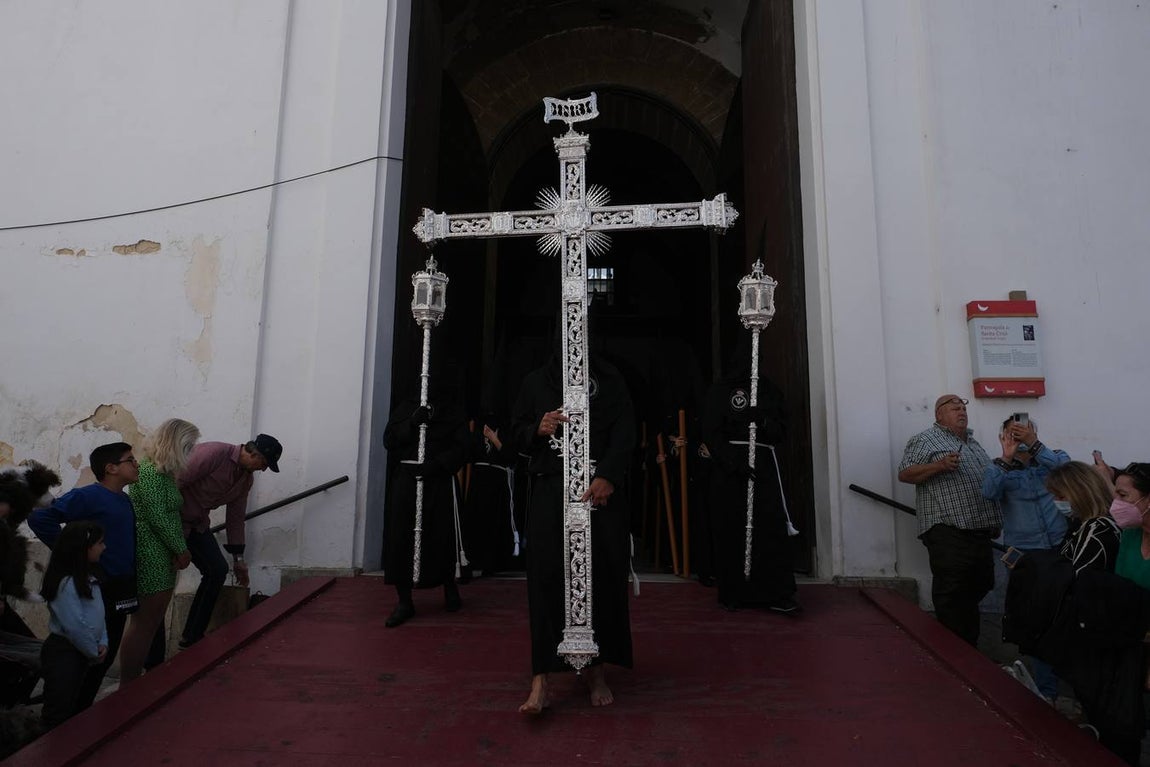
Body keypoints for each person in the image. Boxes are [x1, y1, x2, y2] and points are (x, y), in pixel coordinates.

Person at [510, 345, 636, 714]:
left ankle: (596, 671)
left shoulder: (609, 380)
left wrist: (609, 475)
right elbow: (515, 430)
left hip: (598, 493)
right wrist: (537, 427)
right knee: (547, 578)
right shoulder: (536, 382)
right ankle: (541, 680)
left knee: (601, 577)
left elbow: (626, 429)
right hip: (551, 493)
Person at [28, 442, 139, 710]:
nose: (137, 465)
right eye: (130, 460)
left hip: (121, 586)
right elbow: (40, 519)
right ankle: (68, 719)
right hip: (97, 587)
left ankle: (83, 714)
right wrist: (75, 553)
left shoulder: (124, 499)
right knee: (87, 656)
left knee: (106, 652)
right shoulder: (88, 496)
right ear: (111, 468)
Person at [898, 394, 1001, 646]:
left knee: (982, 583)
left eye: (963, 407)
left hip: (980, 530)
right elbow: (905, 473)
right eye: (954, 408)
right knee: (952, 593)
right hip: (947, 528)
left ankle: (966, 647)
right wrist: (940, 465)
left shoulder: (974, 444)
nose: (961, 411)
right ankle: (955, 650)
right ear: (939, 415)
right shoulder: (925, 439)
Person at [980, 416, 1069, 700]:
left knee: (1064, 618)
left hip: (1059, 549)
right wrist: (1006, 456)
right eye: (1012, 433)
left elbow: (1068, 473)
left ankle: (1070, 684)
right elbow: (988, 492)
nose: (1018, 437)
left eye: (1024, 431)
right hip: (1025, 557)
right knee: (1034, 621)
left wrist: (1033, 445)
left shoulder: (1053, 460)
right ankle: (1047, 691)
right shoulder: (1000, 470)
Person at [700, 362, 799, 614]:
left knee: (769, 527)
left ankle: (776, 592)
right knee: (730, 527)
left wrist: (763, 421)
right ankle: (734, 591)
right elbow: (711, 432)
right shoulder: (720, 391)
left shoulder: (769, 391)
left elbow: (782, 430)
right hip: (729, 471)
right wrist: (734, 462)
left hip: (762, 469)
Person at [177, 434, 282, 648]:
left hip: (198, 525)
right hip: (172, 519)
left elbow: (235, 518)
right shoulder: (214, 453)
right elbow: (176, 480)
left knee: (217, 570)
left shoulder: (246, 480)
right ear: (253, 453)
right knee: (162, 585)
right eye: (263, 463)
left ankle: (192, 637)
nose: (263, 469)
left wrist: (239, 559)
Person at [381, 374, 470, 627]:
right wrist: (411, 424)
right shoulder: (406, 408)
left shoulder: (450, 411)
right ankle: (404, 600)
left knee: (441, 536)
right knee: (401, 539)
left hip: (438, 481)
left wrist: (437, 465)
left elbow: (463, 447)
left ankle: (450, 587)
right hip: (407, 481)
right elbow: (389, 440)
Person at [118, 419, 199, 682]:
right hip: (151, 552)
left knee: (151, 624)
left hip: (162, 553)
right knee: (143, 625)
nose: (192, 451)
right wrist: (181, 549)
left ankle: (135, 680)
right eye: (189, 445)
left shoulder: (162, 473)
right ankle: (129, 683)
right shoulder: (150, 472)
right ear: (177, 444)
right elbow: (158, 518)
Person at [38, 521, 108, 729]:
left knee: (73, 706)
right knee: (58, 711)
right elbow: (75, 625)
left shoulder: (89, 579)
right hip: (64, 652)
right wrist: (93, 651)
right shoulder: (65, 584)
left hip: (82, 651)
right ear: (84, 548)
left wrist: (102, 641)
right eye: (100, 543)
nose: (104, 548)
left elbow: (99, 615)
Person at [462, 413, 521, 577]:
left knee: (494, 521)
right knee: (475, 520)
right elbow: (469, 454)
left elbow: (511, 457)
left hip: (497, 484)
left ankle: (493, 563)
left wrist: (494, 439)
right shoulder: (477, 430)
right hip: (479, 482)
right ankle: (472, 561)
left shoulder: (507, 431)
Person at [1045, 462, 1120, 574]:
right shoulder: (1079, 523)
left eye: (1061, 496)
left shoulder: (1098, 529)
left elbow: (1080, 576)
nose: (1056, 501)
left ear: (1082, 494)